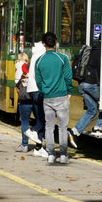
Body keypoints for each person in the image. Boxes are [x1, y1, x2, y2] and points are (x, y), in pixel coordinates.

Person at [33, 32, 72, 165]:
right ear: (55, 43)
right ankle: (63, 154)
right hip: (62, 96)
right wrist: (69, 91)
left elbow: (38, 81)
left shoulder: (39, 61)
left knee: (49, 127)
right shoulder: (63, 58)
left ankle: (50, 154)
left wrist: (44, 91)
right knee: (63, 127)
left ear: (44, 44)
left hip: (47, 98)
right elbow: (68, 77)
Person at [72, 35, 101, 144]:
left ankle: (74, 131)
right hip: (91, 84)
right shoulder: (101, 53)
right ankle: (99, 126)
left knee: (92, 110)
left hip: (82, 84)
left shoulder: (90, 50)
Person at [22, 38, 47, 157]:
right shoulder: (42, 55)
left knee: (40, 117)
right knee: (43, 119)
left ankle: (38, 147)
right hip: (38, 90)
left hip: (32, 90)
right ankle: (32, 130)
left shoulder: (35, 54)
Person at [14, 52, 32, 152]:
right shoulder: (26, 65)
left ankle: (24, 144)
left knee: (24, 121)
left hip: (23, 96)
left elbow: (17, 82)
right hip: (32, 95)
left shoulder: (17, 66)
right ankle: (38, 145)